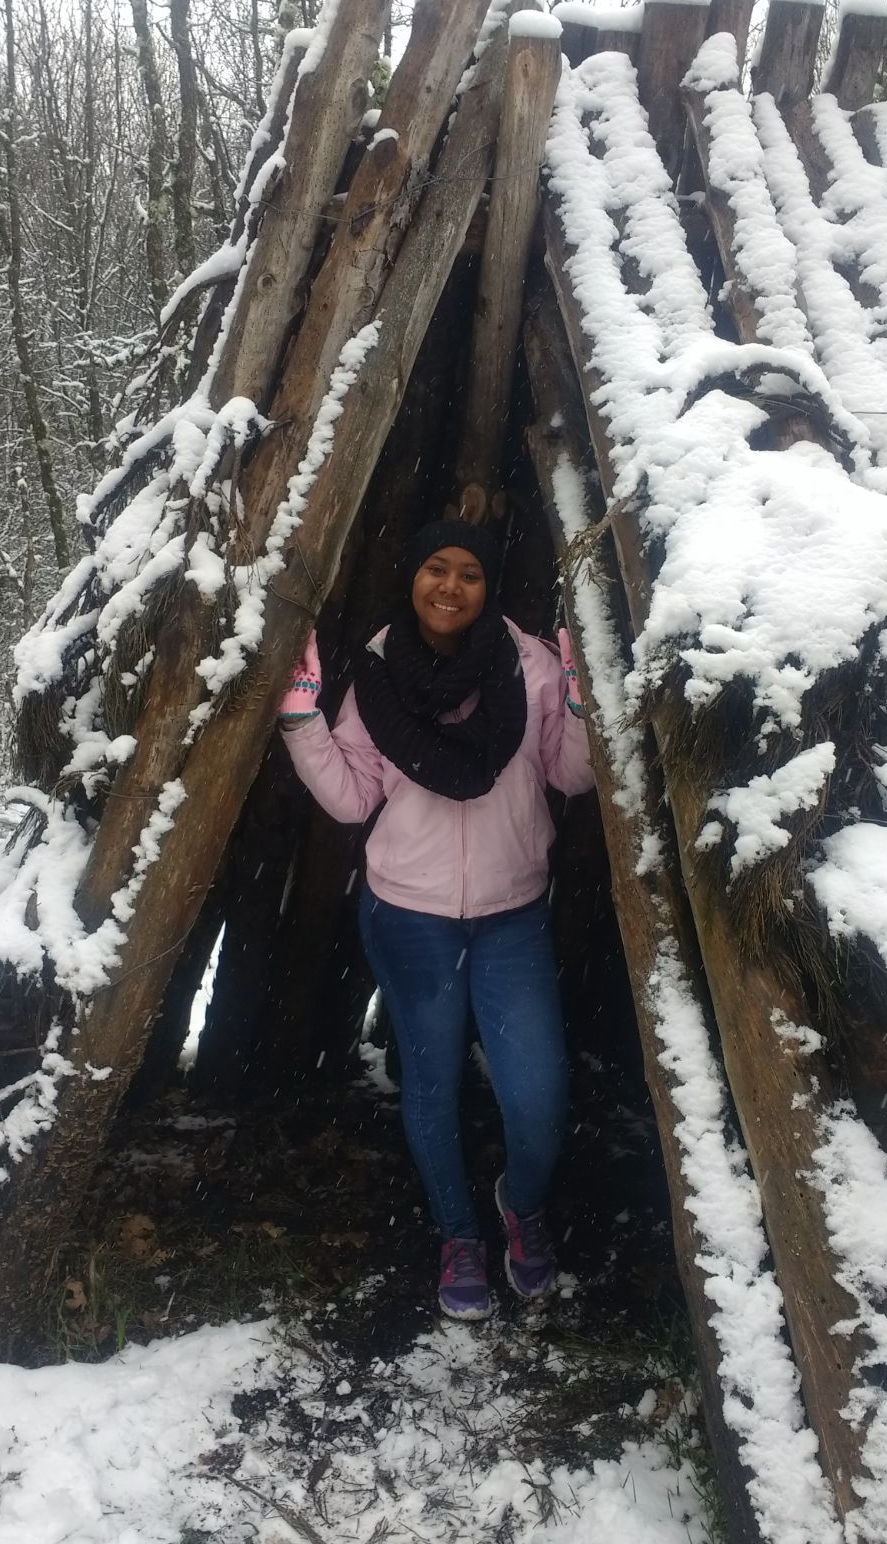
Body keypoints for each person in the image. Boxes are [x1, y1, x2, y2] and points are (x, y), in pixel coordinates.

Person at [278, 519, 594, 1320]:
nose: (450, 586)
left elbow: (569, 773)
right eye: (435, 568)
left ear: (489, 586)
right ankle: (458, 1233)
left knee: (539, 1096)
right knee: (431, 1084)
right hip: (409, 917)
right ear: (413, 577)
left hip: (511, 914)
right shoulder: (379, 671)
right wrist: (302, 721)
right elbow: (354, 796)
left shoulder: (529, 665)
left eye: (469, 574)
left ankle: (521, 1204)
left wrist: (583, 705)